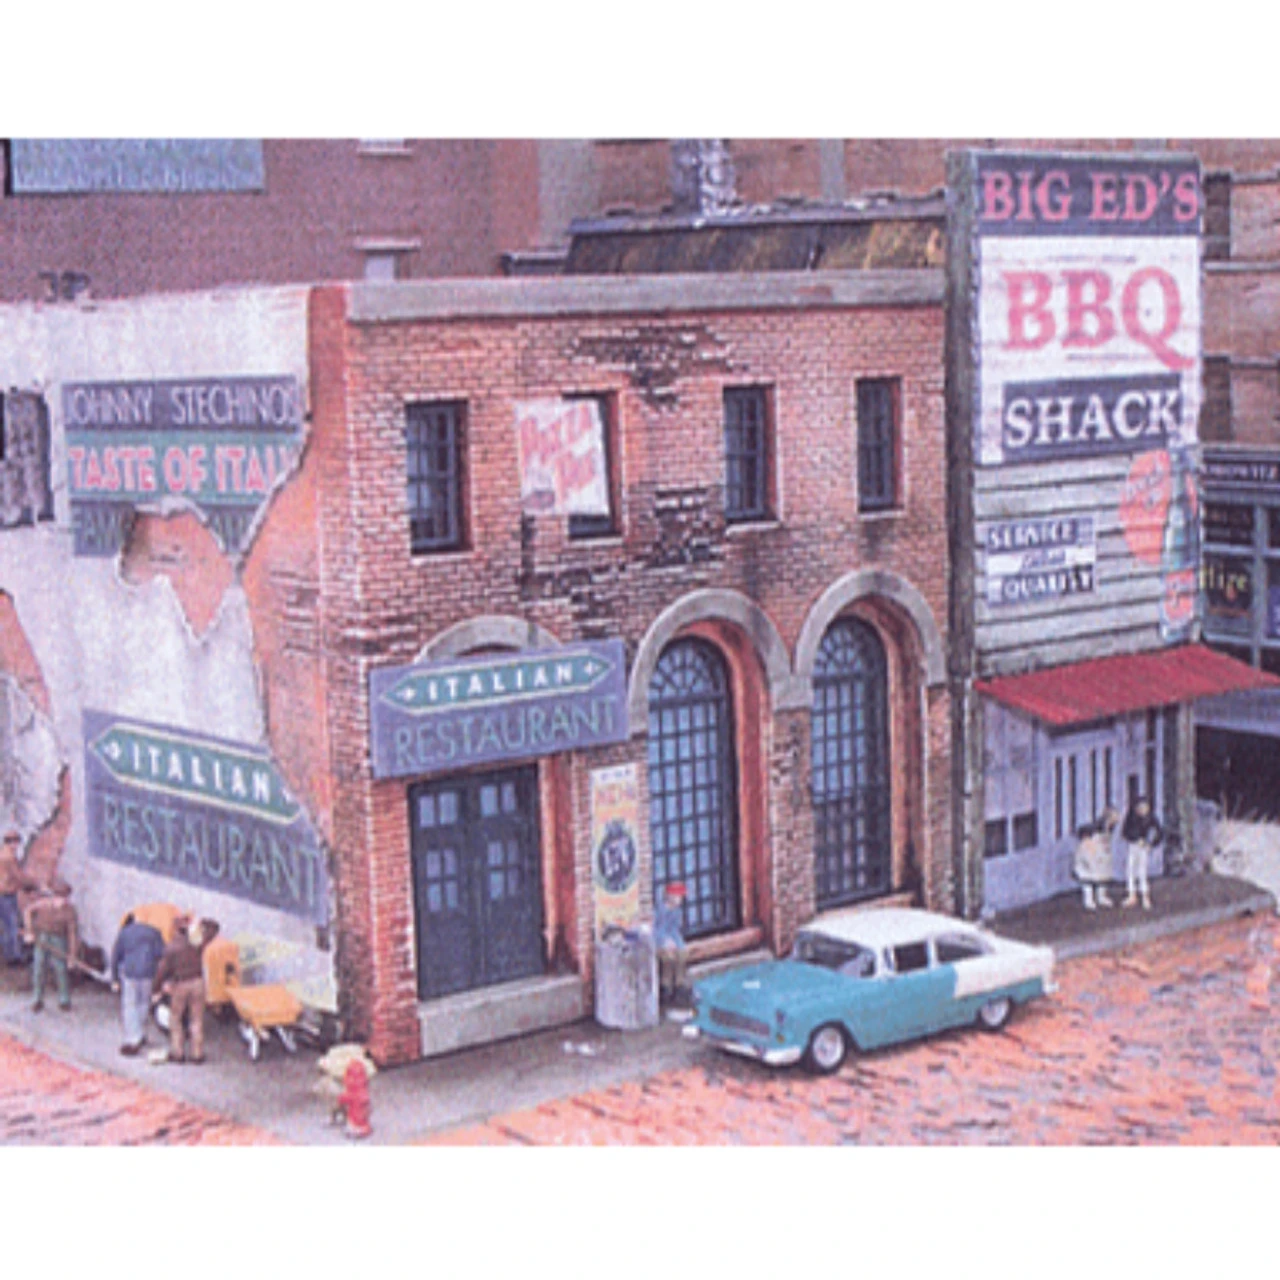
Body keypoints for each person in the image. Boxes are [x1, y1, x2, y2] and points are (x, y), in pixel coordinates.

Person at [152, 913, 219, 1064]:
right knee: (197, 1019)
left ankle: (178, 1053)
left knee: (175, 1019)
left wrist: (155, 989)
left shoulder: (171, 948)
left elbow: (162, 971)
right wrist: (201, 922)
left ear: (175, 929)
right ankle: (197, 1054)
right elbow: (215, 927)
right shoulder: (198, 942)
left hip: (180, 984)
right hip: (198, 982)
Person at [110, 913, 166, 1056]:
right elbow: (161, 955)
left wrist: (114, 978)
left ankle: (132, 1039)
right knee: (143, 1003)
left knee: (130, 1004)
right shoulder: (154, 932)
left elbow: (116, 956)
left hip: (130, 973)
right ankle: (139, 1033)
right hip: (149, 973)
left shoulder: (124, 933)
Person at [23, 876, 78, 1012]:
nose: (63, 901)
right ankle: (37, 999)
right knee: (39, 967)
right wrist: (29, 931)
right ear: (54, 896)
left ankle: (64, 1000)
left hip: (59, 939)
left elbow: (72, 933)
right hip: (42, 938)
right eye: (60, 897)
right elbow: (27, 911)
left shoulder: (70, 910)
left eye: (65, 897)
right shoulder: (43, 904)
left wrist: (72, 955)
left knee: (61, 968)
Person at [1121, 796, 1163, 910]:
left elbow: (1159, 832)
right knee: (1130, 869)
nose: (1143, 810)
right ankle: (1132, 894)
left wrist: (1151, 844)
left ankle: (1145, 895)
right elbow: (1125, 832)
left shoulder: (1151, 818)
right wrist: (1135, 838)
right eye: (1140, 808)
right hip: (1133, 845)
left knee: (1142, 870)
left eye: (1145, 807)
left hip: (1144, 846)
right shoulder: (1131, 817)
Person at [1072, 807, 1118, 910]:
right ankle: (1088, 899)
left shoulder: (1110, 828)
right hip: (1091, 853)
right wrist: (1089, 845)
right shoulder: (1095, 827)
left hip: (1101, 854)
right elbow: (1086, 836)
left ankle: (1101, 897)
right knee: (1087, 877)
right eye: (1114, 816)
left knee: (1102, 875)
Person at [654, 881, 690, 1010]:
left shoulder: (677, 912)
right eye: (678, 897)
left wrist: (679, 944)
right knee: (668, 958)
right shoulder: (660, 911)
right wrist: (665, 941)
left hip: (671, 941)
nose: (680, 900)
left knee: (681, 954)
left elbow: (675, 930)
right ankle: (666, 986)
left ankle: (679, 985)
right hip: (659, 943)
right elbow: (656, 930)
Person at [0, 829, 30, 965]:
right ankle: (14, 956)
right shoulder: (9, 857)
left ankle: (9, 954)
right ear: (11, 842)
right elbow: (18, 876)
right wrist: (35, 885)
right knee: (12, 925)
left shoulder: (3, 854)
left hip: (5, 894)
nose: (17, 846)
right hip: (5, 895)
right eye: (16, 842)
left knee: (7, 926)